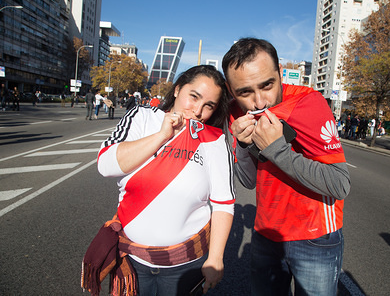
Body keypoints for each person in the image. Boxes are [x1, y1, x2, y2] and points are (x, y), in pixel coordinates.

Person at [82, 65, 236, 296]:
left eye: (209, 106)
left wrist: (215, 259)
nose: (197, 111)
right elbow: (106, 165)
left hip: (187, 261)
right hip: (133, 259)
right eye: (193, 97)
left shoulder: (214, 140)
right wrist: (162, 136)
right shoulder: (142, 117)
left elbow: (223, 203)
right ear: (177, 90)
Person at [223, 38, 350, 296]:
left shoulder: (309, 103)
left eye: (267, 85)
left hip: (315, 236)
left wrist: (277, 149)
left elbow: (340, 184)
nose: (259, 102)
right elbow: (248, 181)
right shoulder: (236, 111)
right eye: (245, 92)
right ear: (230, 89)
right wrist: (243, 145)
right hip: (266, 233)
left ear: (280, 73)